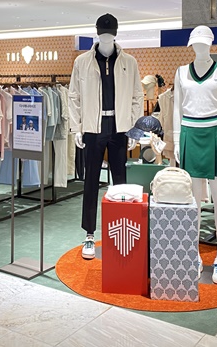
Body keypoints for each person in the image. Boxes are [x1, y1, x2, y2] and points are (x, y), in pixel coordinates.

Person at [69, 13, 142, 260]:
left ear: (116, 34)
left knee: (120, 182)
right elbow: (74, 96)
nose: (107, 37)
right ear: (98, 34)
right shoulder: (82, 62)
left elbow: (137, 96)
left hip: (119, 128)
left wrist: (134, 129)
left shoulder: (129, 62)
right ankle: (89, 234)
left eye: (110, 34)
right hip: (93, 127)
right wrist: (77, 128)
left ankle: (122, 233)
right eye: (103, 33)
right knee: (90, 181)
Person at [172, 25, 217, 284]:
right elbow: (177, 108)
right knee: (194, 198)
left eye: (204, 43)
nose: (200, 48)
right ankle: (194, 253)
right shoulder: (181, 72)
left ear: (211, 44)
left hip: (215, 133)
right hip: (189, 131)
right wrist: (176, 139)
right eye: (195, 43)